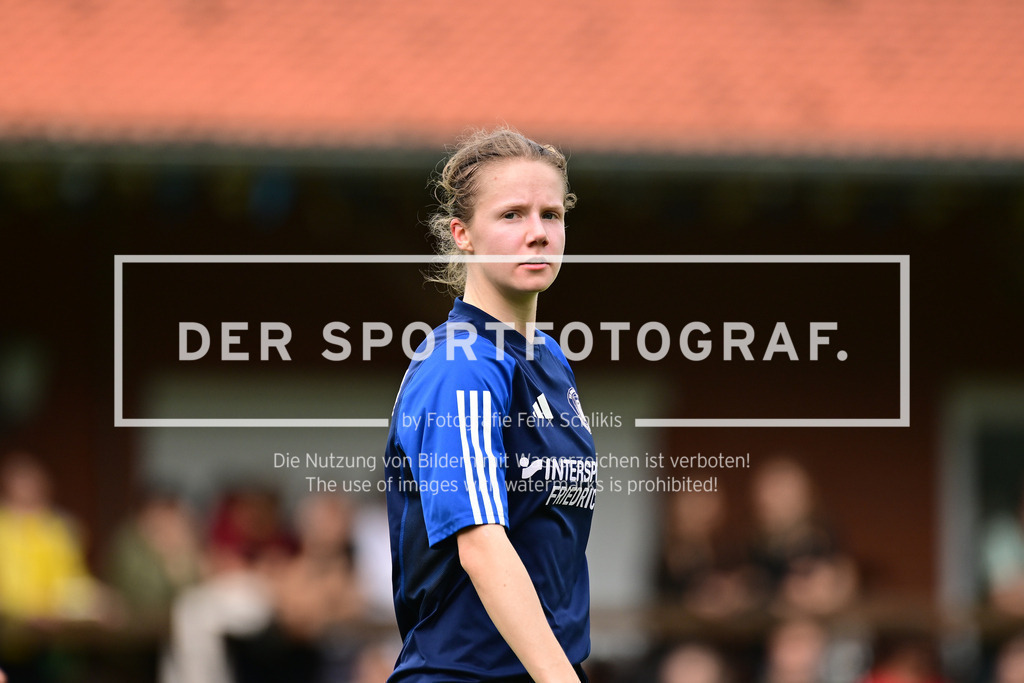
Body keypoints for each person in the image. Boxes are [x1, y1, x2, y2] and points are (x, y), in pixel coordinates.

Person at [384, 127, 596, 682]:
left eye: (551, 214)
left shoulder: (547, 358)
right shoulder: (461, 365)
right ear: (463, 234)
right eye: (511, 215)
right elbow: (480, 545)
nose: (537, 234)